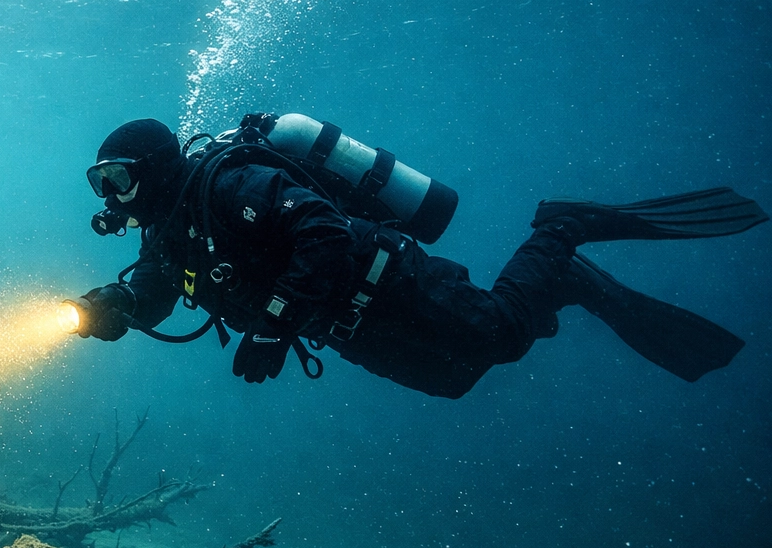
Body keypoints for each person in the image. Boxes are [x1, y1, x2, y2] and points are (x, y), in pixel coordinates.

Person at [69, 116, 767, 398]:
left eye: (118, 178)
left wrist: (276, 323)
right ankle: (558, 289)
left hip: (386, 281)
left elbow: (323, 232)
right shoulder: (166, 232)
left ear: (154, 169)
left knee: (496, 334)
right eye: (102, 184)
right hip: (343, 324)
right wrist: (119, 305)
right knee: (454, 379)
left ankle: (561, 235)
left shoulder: (232, 184)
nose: (112, 196)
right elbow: (159, 287)